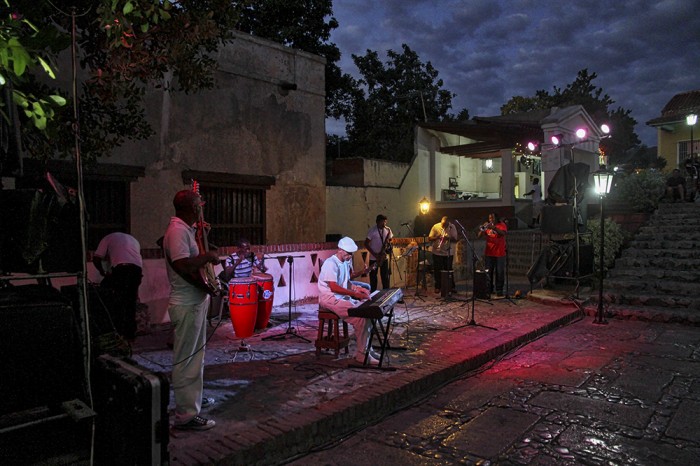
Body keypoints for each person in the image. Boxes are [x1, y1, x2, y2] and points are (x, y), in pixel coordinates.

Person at [162, 189, 221, 431]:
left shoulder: (185, 230)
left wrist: (204, 238)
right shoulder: (176, 231)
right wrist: (207, 257)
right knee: (187, 360)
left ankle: (192, 400)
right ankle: (186, 414)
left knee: (195, 358)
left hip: (193, 303)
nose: (201, 207)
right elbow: (182, 264)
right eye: (198, 204)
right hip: (186, 304)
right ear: (190, 207)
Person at [318, 237, 380, 365]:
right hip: (330, 299)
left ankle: (367, 349)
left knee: (366, 314)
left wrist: (359, 288)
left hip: (340, 297)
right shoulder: (331, 263)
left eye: (351, 254)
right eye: (348, 253)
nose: (350, 256)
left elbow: (346, 283)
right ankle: (362, 355)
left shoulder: (345, 262)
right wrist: (355, 294)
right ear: (340, 250)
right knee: (360, 317)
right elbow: (334, 287)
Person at [92, 232, 143, 340]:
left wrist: (103, 271)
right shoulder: (133, 239)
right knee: (130, 302)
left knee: (116, 301)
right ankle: (130, 334)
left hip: (122, 269)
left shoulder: (107, 238)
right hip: (137, 270)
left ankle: (116, 332)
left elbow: (96, 258)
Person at [478, 213, 507, 297]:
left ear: (496, 218)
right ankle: (489, 289)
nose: (491, 220)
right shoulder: (487, 226)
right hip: (489, 253)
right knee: (488, 272)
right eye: (490, 218)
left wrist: (494, 228)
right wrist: (482, 229)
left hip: (500, 253)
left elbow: (503, 233)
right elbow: (478, 236)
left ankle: (499, 290)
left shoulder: (501, 225)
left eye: (492, 218)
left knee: (499, 272)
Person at [428, 216, 458, 294]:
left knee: (449, 270)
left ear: (448, 223)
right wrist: (437, 237)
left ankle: (451, 287)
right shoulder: (435, 226)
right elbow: (430, 238)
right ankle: (438, 286)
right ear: (441, 221)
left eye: (445, 225)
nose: (443, 226)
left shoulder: (452, 227)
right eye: (442, 224)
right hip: (437, 252)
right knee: (437, 270)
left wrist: (447, 238)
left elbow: (455, 239)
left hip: (448, 252)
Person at [364, 214, 393, 291]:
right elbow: (366, 244)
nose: (384, 224)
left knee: (385, 277)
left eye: (385, 222)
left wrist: (387, 246)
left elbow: (390, 241)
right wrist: (375, 254)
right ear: (377, 222)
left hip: (384, 257)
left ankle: (385, 293)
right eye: (382, 222)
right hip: (374, 257)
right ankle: (373, 294)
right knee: (373, 278)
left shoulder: (388, 230)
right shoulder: (372, 231)